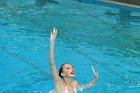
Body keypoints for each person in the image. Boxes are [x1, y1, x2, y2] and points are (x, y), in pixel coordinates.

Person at [49, 28, 98, 93]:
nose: (72, 69)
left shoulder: (75, 83)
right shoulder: (59, 84)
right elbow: (52, 63)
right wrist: (52, 42)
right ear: (63, 74)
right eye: (68, 68)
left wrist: (95, 79)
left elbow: (84, 87)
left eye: (72, 67)